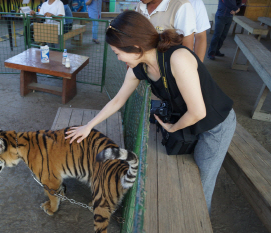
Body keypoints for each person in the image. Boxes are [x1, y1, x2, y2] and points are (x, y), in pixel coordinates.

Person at [65, 11, 236, 214]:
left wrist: (173, 127)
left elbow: (198, 112)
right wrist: (89, 126)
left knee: (202, 179)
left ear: (136, 48)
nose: (118, 58)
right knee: (186, 173)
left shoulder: (177, 58)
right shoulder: (139, 67)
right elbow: (118, 100)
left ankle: (199, 219)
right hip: (187, 121)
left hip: (215, 124)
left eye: (118, 53)